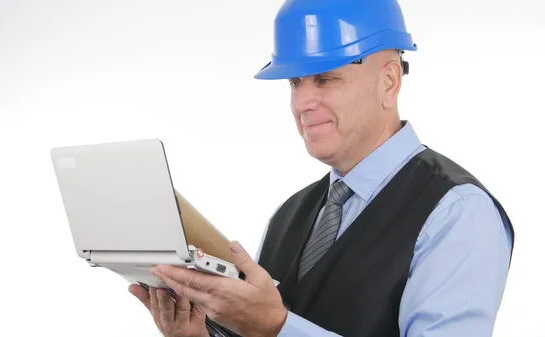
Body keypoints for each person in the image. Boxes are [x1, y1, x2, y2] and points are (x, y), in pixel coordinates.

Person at [128, 0, 515, 336]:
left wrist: (276, 328)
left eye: (325, 79)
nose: (301, 103)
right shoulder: (290, 214)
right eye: (296, 82)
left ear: (389, 81)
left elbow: (272, 328)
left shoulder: (457, 212)